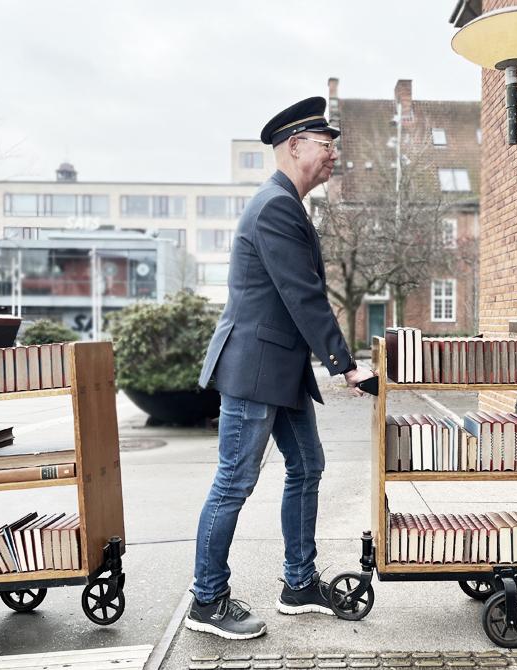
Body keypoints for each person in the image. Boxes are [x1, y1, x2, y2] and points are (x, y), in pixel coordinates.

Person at [186, 96, 375, 640]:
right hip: (254, 368)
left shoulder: (287, 203)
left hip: (279, 370)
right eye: (326, 144)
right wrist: (346, 366)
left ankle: (297, 584)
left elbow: (298, 297)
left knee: (307, 466)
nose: (334, 154)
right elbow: (303, 295)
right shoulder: (275, 206)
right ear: (295, 147)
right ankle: (207, 599)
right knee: (234, 483)